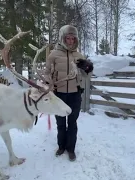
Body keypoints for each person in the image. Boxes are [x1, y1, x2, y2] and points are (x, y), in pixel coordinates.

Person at [44, 24, 93, 161]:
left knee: (72, 123)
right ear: (62, 38)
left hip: (74, 94)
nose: (70, 41)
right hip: (58, 95)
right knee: (60, 123)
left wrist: (88, 69)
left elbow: (86, 75)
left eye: (73, 38)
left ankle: (71, 149)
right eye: (68, 38)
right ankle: (61, 147)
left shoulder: (79, 55)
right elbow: (46, 73)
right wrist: (48, 84)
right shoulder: (53, 54)